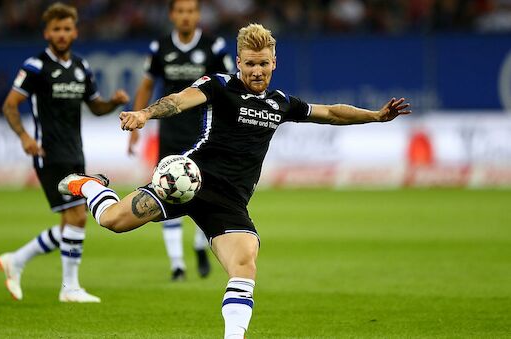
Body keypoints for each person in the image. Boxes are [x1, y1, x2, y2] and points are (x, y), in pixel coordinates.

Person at [58, 23, 410, 337]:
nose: (257, 71)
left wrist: (377, 116)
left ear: (274, 63)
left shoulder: (280, 103)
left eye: (264, 63)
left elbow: (331, 112)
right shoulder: (218, 85)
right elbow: (179, 101)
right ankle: (89, 185)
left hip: (229, 201)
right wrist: (144, 113)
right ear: (239, 63)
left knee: (245, 262)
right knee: (111, 221)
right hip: (186, 182)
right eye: (250, 63)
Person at [0, 2, 129, 303]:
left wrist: (113, 102)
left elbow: (95, 107)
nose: (62, 34)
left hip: (74, 153)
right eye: (56, 29)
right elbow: (9, 104)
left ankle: (16, 260)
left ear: (75, 32)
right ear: (47, 32)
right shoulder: (36, 66)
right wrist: (24, 137)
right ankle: (69, 288)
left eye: (67, 29)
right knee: (78, 217)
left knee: (69, 222)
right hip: (49, 152)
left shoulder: (81, 67)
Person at [128, 0, 234, 281]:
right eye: (181, 11)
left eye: (191, 11)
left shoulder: (213, 46)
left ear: (197, 15)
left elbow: (229, 85)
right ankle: (177, 265)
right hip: (171, 131)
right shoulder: (160, 47)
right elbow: (147, 85)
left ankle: (200, 245)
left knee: (204, 191)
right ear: (173, 15)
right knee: (166, 188)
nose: (186, 16)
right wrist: (139, 120)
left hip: (204, 131)